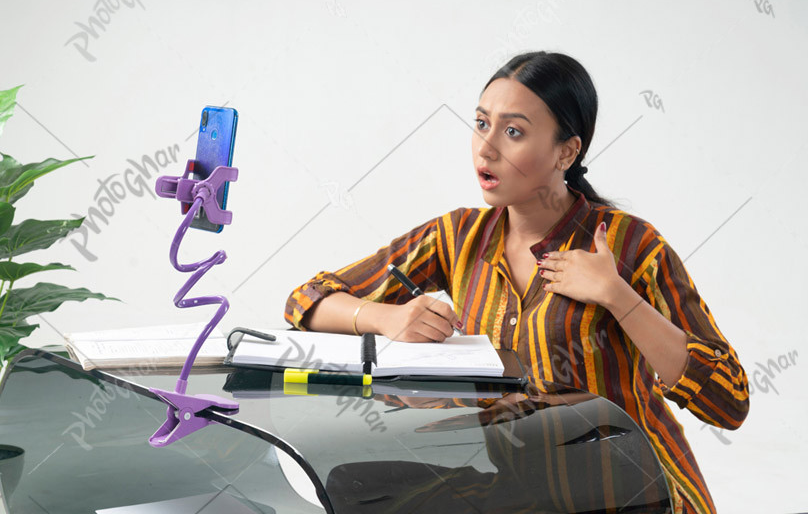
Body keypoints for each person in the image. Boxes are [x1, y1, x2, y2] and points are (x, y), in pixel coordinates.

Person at [283, 51, 749, 514]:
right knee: (356, 487)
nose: (486, 148)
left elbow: (729, 402)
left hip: (638, 497)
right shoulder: (458, 236)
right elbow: (307, 301)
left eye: (513, 132)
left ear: (567, 151)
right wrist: (386, 317)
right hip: (527, 496)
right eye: (482, 123)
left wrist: (617, 296)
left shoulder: (628, 244)